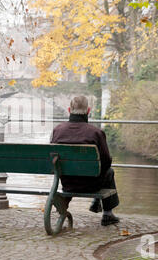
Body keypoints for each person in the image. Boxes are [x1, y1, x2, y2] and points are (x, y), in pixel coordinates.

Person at [50, 95, 120, 226]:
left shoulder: (57, 130)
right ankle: (107, 214)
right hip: (92, 184)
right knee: (109, 172)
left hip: (67, 183)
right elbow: (106, 161)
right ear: (88, 111)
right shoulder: (96, 133)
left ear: (69, 109)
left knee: (69, 170)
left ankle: (64, 204)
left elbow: (53, 158)